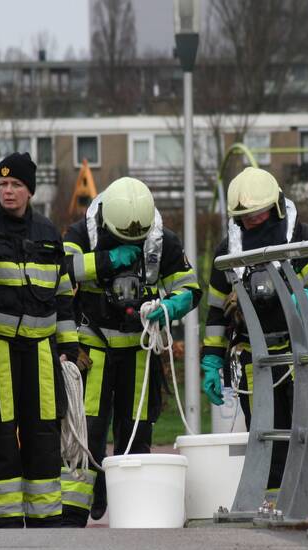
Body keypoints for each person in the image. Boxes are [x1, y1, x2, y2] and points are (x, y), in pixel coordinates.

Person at [64, 177, 201, 525]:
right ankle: (77, 508)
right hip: (92, 349)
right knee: (88, 431)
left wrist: (175, 304)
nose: (132, 243)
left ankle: (131, 505)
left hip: (140, 353)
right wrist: (106, 260)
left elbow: (188, 285)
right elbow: (61, 272)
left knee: (136, 432)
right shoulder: (81, 234)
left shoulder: (162, 242)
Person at [201, 167, 308, 507]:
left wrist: (306, 298)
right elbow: (216, 311)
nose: (250, 222)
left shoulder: (303, 239)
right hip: (253, 360)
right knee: (268, 437)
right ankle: (275, 504)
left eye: (255, 214)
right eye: (243, 217)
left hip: (300, 352)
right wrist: (211, 358)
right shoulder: (228, 253)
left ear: (274, 207)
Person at [0, 152, 78, 528]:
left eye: (16, 185)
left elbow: (63, 297)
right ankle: (5, 523)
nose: (8, 191)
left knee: (44, 435)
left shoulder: (47, 233)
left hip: (42, 354)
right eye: (3, 184)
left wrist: (69, 350)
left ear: (30, 190)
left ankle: (46, 523)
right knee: (0, 436)